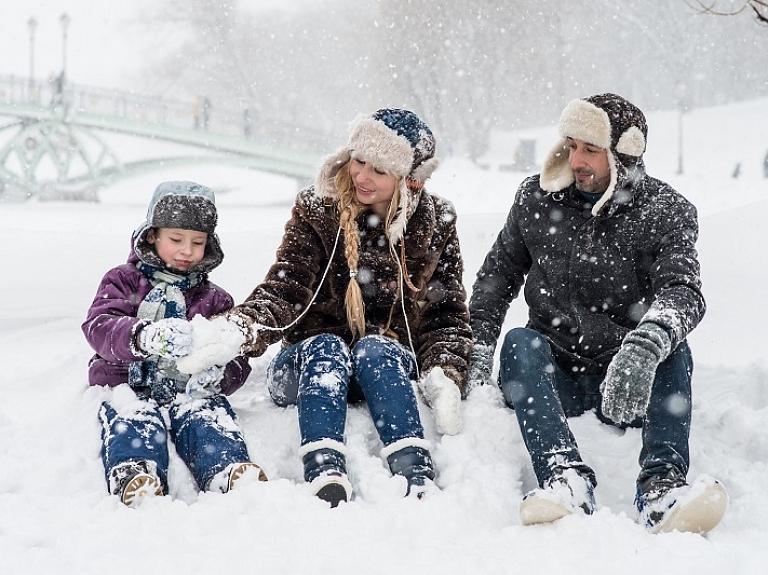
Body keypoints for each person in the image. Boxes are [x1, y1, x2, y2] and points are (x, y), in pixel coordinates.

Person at [177, 109, 472, 507]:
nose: (362, 176)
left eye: (379, 170)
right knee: (327, 347)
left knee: (377, 348)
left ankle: (413, 468)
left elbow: (446, 312)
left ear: (408, 180)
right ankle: (324, 465)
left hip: (382, 371)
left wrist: (444, 371)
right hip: (308, 367)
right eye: (359, 160)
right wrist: (241, 328)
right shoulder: (317, 209)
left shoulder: (437, 222)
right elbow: (286, 288)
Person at [468, 93, 728, 534]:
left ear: (622, 156)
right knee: (518, 343)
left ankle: (662, 488)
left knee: (674, 348)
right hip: (554, 377)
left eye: (590, 149)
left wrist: (646, 346)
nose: (576, 160)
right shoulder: (535, 200)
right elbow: (495, 282)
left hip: (628, 383)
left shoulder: (666, 211)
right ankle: (564, 477)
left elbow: (684, 291)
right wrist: (475, 354)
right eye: (571, 145)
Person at [82, 181, 267, 507]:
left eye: (197, 242)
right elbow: (99, 326)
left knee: (207, 415)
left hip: (188, 389)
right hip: (126, 382)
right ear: (152, 235)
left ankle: (226, 467)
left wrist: (220, 375)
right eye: (176, 239)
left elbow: (236, 355)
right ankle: (136, 471)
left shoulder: (215, 299)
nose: (187, 251)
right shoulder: (123, 281)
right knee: (133, 417)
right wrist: (142, 336)